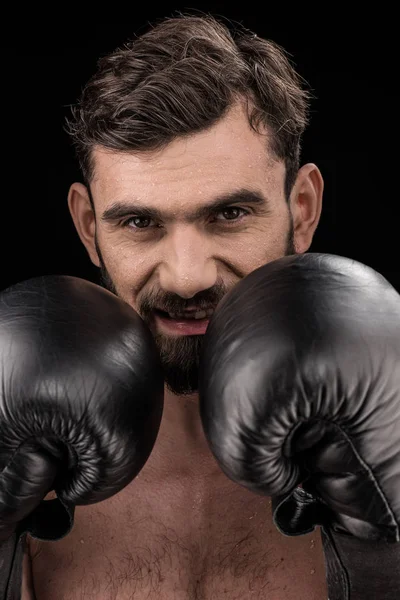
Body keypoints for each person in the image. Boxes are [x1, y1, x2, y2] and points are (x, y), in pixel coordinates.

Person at [3, 11, 398, 600]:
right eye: (140, 222)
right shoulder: (22, 458)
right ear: (89, 228)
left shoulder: (388, 430)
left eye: (230, 215)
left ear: (304, 208)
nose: (187, 277)